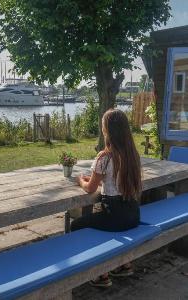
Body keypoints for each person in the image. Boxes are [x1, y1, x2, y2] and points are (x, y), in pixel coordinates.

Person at [71, 109, 142, 288]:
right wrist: (97, 178)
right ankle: (124, 265)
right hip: (133, 216)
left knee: (77, 225)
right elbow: (114, 182)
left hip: (115, 217)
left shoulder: (104, 158)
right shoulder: (132, 155)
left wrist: (80, 180)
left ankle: (100, 274)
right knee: (99, 221)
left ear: (107, 130)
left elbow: (90, 189)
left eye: (103, 126)